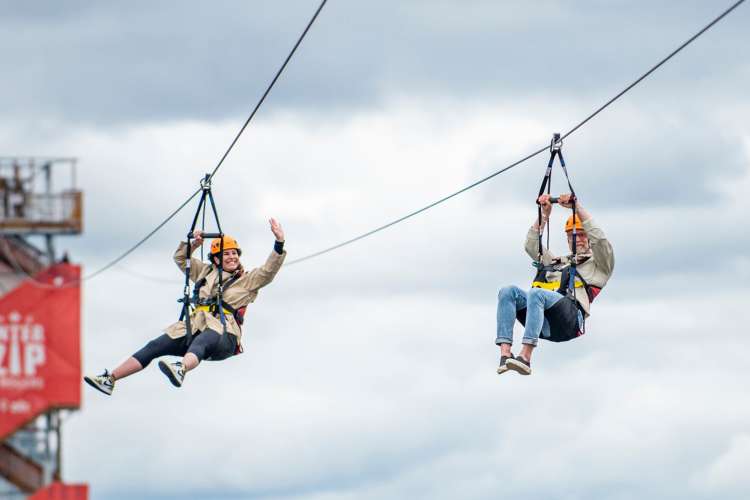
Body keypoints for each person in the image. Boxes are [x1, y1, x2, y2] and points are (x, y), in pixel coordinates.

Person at [84, 218, 286, 395]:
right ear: (216, 259)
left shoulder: (247, 280)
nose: (232, 257)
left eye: (235, 254)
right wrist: (193, 245)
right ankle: (110, 379)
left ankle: (181, 368)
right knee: (155, 346)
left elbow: (268, 271)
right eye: (227, 254)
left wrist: (278, 242)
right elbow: (181, 258)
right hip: (194, 327)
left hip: (224, 336)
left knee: (206, 338)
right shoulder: (205, 272)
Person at [495, 194, 614, 376]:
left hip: (570, 320)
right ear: (568, 239)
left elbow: (601, 241)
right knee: (507, 291)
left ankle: (525, 356)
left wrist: (577, 207)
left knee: (536, 293)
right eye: (574, 236)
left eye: (583, 235)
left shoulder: (600, 265)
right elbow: (531, 246)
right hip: (544, 320)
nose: (579, 239)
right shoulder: (558, 262)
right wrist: (544, 215)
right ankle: (505, 354)